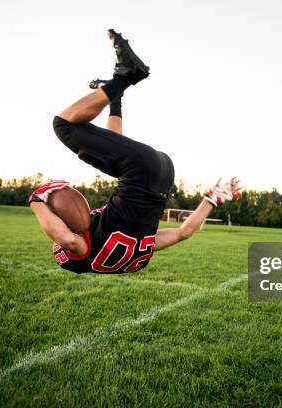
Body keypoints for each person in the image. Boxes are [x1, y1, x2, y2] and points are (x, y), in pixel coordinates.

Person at [29, 29, 241, 274]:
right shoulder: (79, 244)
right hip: (140, 172)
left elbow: (185, 232)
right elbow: (67, 240)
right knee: (63, 125)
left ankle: (114, 96)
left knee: (111, 151)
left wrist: (212, 198)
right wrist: (36, 202)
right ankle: (125, 77)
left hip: (162, 173)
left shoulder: (139, 249)